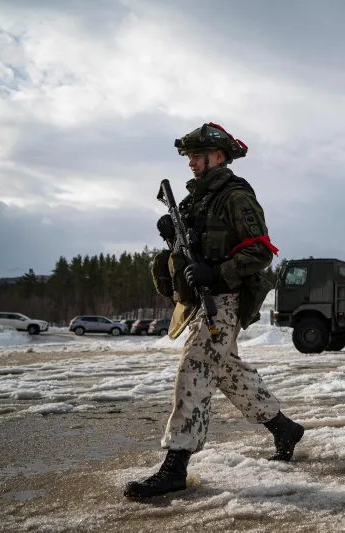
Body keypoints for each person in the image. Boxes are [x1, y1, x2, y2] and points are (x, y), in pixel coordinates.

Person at [125, 123, 304, 500]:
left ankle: (175, 467)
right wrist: (171, 236)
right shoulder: (195, 200)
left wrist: (218, 273)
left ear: (219, 156)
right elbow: (192, 249)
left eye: (198, 155)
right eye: (189, 156)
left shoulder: (235, 197)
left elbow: (261, 251)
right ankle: (283, 428)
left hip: (225, 299)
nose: (191, 162)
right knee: (226, 370)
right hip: (202, 302)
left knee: (194, 369)